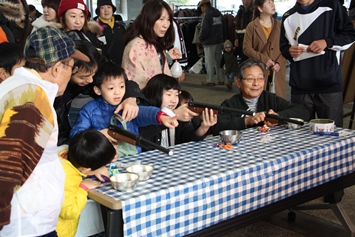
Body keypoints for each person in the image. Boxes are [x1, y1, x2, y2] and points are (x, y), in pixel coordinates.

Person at [0, 26, 89, 236]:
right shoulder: (32, 98)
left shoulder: (18, 86)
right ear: (57, 68)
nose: (71, 74)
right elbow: (8, 165)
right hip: (27, 224)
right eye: (72, 67)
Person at [70, 61, 178, 157]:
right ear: (98, 90)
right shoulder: (89, 110)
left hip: (133, 157)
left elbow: (144, 112)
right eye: (111, 88)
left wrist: (161, 117)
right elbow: (76, 134)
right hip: (103, 159)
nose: (117, 92)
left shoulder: (127, 105)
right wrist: (98, 135)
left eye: (121, 86)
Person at [54, 40, 146, 145]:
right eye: (83, 77)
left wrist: (131, 97)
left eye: (93, 74)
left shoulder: (97, 63)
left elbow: (119, 79)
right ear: (68, 71)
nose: (90, 80)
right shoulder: (57, 91)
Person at [280, 0, 355, 127]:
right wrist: (289, 51)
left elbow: (350, 35)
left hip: (329, 85)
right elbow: (283, 47)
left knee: (332, 135)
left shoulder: (332, 6)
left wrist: (327, 42)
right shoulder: (288, 16)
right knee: (300, 136)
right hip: (300, 87)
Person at [211, 58, 309, 134]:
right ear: (238, 82)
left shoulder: (270, 99)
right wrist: (246, 121)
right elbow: (217, 126)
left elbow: (303, 112)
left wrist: (278, 117)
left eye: (260, 79)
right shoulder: (230, 104)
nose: (256, 83)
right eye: (250, 79)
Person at [56, 129, 116, 237]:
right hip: (59, 231)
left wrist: (95, 169)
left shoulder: (65, 152)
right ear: (85, 168)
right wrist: (83, 188)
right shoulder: (67, 178)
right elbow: (69, 211)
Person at [140, 74, 217, 148]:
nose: (173, 100)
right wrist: (171, 115)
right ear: (155, 94)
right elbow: (142, 139)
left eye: (176, 95)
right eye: (169, 94)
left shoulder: (177, 110)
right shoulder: (144, 111)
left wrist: (204, 127)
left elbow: (187, 138)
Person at [122, 0, 182, 90]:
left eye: (168, 19)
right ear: (149, 19)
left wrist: (167, 56)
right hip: (145, 101)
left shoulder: (153, 42)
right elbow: (138, 82)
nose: (166, 25)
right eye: (161, 19)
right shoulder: (138, 45)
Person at [243, 0, 287, 98]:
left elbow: (285, 47)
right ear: (260, 8)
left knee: (278, 103)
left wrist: (279, 62)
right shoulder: (252, 26)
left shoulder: (279, 25)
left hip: (277, 71)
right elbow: (247, 48)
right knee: (260, 103)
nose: (273, 5)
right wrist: (264, 60)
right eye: (268, 2)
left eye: (273, 2)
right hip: (259, 70)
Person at [198, 0, 225, 87]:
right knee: (218, 61)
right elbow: (224, 26)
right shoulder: (218, 13)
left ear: (205, 6)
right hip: (219, 40)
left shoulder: (207, 14)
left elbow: (205, 28)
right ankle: (221, 79)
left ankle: (210, 80)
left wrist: (200, 38)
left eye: (202, 7)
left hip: (209, 41)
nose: (201, 9)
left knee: (209, 62)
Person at [95, 0, 126, 65]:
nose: (106, 10)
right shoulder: (95, 29)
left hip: (122, 65)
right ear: (98, 11)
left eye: (109, 7)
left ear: (112, 10)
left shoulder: (120, 28)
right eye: (102, 8)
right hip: (105, 68)